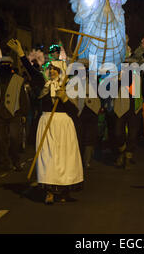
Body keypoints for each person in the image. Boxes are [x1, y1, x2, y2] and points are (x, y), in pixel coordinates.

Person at [37, 62, 83, 204]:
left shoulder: (69, 86)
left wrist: (64, 99)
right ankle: (49, 192)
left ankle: (65, 192)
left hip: (64, 126)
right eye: (50, 69)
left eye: (55, 69)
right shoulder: (44, 86)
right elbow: (33, 74)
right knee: (48, 158)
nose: (51, 71)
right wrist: (21, 55)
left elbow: (75, 112)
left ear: (61, 71)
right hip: (47, 124)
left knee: (65, 158)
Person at [0, 56, 29, 172]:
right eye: (2, 65)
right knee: (2, 141)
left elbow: (23, 98)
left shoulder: (18, 79)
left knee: (15, 139)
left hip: (14, 114)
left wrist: (24, 114)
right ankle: (5, 163)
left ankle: (16, 161)